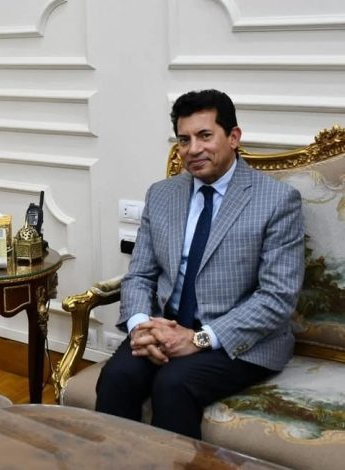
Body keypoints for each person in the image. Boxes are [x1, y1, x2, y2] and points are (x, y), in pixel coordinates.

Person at [94, 89, 304, 439]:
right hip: (167, 328)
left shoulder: (276, 200)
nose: (193, 149)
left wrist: (201, 339)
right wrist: (140, 327)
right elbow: (140, 275)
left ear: (233, 137)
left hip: (238, 338)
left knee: (173, 384)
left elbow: (277, 297)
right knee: (117, 377)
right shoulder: (162, 194)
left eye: (205, 135)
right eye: (184, 139)